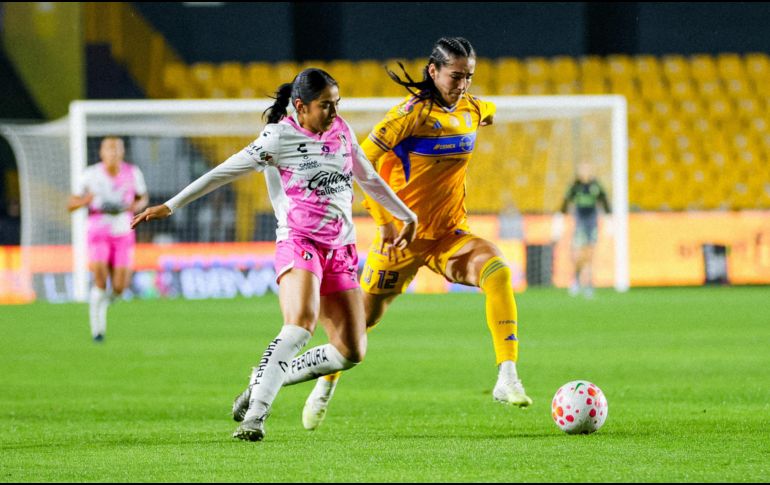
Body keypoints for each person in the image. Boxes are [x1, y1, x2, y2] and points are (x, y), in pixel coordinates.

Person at [131, 68, 417, 442]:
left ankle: (262, 378)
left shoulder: (341, 131)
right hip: (299, 242)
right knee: (299, 324)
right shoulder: (278, 137)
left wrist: (406, 215)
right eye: (325, 105)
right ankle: (256, 416)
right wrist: (171, 205)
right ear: (301, 106)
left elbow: (369, 179)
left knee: (351, 351)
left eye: (336, 104)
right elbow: (224, 171)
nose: (333, 112)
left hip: (341, 248)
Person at [301, 37, 532, 432]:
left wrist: (484, 111)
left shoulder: (473, 109)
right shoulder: (410, 116)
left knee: (497, 271)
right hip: (400, 242)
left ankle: (506, 375)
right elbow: (359, 160)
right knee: (358, 330)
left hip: (448, 235)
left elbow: (485, 111)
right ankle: (325, 385)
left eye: (469, 77)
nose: (462, 84)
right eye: (455, 76)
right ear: (433, 71)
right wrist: (386, 219)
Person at [67, 136, 149, 342]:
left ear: (122, 152)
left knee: (120, 287)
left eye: (117, 149)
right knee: (101, 280)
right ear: (101, 153)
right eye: (109, 149)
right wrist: (87, 200)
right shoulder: (90, 175)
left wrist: (137, 207)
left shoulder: (132, 172)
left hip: (123, 231)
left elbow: (142, 197)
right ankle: (97, 328)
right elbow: (71, 204)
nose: (113, 153)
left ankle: (101, 303)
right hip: (98, 231)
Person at [554, 162, 611, 299]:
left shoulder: (596, 186)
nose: (585, 172)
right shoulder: (575, 186)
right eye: (582, 170)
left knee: (590, 254)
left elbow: (605, 202)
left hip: (592, 223)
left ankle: (589, 285)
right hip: (579, 223)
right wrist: (559, 221)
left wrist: (610, 221)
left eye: (587, 169)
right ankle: (576, 279)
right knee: (578, 255)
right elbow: (565, 203)